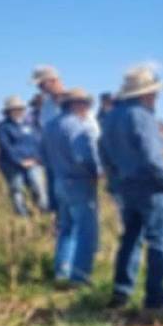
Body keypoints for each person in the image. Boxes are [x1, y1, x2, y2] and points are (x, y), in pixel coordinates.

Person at [99, 67, 163, 315]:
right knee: (158, 241)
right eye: (154, 93)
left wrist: (114, 180)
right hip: (149, 186)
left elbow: (103, 152)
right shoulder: (142, 116)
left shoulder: (110, 116)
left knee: (131, 237)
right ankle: (155, 300)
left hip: (125, 185)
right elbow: (152, 155)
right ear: (146, 94)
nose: (156, 97)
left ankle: (121, 292)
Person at [41, 88, 101, 287]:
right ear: (76, 104)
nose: (87, 108)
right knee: (86, 230)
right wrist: (95, 173)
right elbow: (83, 156)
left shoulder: (50, 126)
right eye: (85, 103)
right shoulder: (79, 126)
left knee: (66, 228)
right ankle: (80, 276)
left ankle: (62, 270)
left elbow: (43, 156)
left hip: (59, 181)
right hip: (79, 182)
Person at [0, 96, 48, 217]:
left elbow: (38, 142)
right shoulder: (2, 127)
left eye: (20, 109)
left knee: (39, 188)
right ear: (8, 111)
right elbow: (6, 147)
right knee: (17, 190)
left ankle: (43, 214)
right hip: (12, 165)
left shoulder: (30, 125)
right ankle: (23, 217)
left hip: (34, 163)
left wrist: (39, 159)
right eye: (14, 109)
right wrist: (20, 161)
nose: (18, 111)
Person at [31, 65, 66, 211]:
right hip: (52, 162)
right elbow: (44, 133)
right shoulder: (46, 106)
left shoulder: (75, 101)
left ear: (52, 81)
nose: (39, 88)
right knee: (56, 203)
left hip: (71, 163)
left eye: (41, 84)